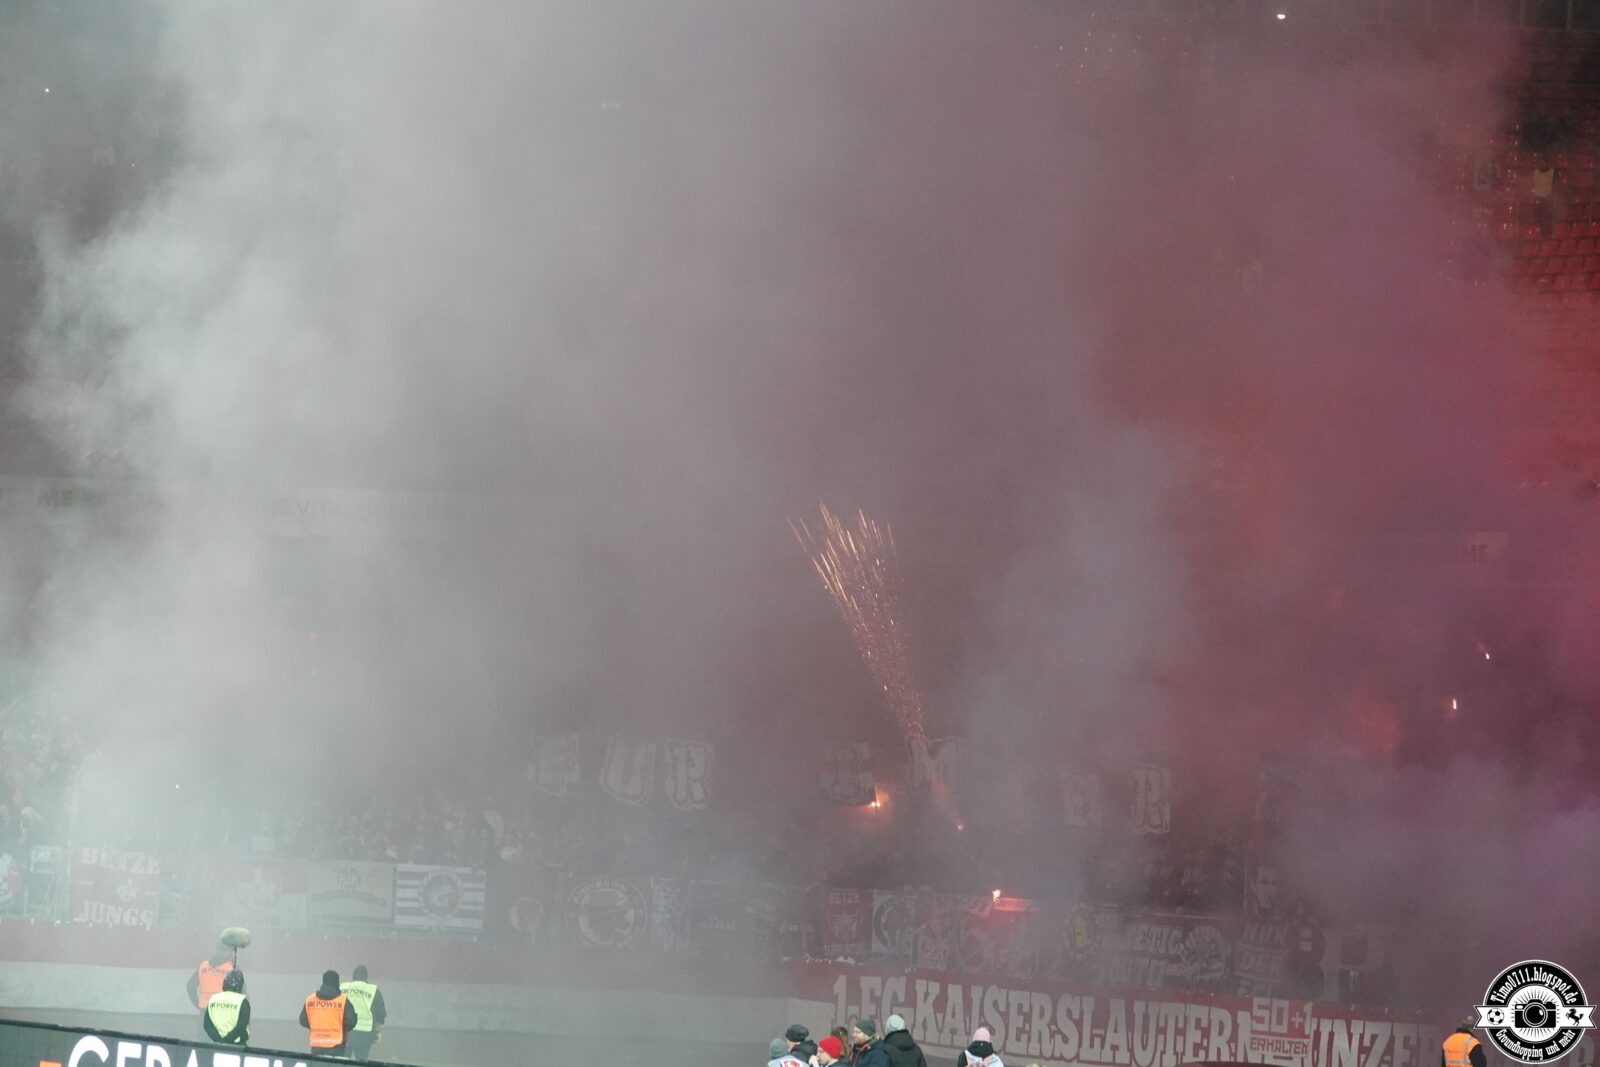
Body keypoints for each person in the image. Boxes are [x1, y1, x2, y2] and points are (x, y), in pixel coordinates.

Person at [300, 969, 357, 1055]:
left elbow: (303, 1021)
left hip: (316, 1047)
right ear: (337, 983)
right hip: (336, 1048)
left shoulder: (310, 1000)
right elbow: (351, 1022)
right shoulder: (343, 1001)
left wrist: (317, 1026)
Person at [341, 964, 387, 1061]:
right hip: (364, 1034)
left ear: (353, 976)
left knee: (342, 1060)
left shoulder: (343, 987)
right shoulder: (372, 989)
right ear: (366, 977)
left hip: (345, 1031)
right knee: (361, 1061)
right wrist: (379, 1025)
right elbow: (380, 1013)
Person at [202, 969, 250, 1046]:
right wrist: (227, 1040)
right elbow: (241, 1027)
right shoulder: (242, 1001)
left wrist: (219, 1040)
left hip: (217, 1043)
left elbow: (207, 1024)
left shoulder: (213, 999)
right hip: (238, 1044)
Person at [186, 941, 236, 1014]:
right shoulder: (231, 968)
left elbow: (190, 986)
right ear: (228, 953)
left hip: (205, 1010)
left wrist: (198, 1004)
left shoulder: (204, 966)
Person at [1532, 155, 1558, 237]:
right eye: (1540, 162)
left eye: (1543, 162)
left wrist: (1550, 196)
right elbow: (1531, 185)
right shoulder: (1535, 172)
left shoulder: (1553, 172)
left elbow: (1556, 187)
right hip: (1537, 199)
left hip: (1548, 200)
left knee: (1546, 219)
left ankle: (1547, 235)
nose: (1542, 163)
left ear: (1547, 163)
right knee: (1538, 218)